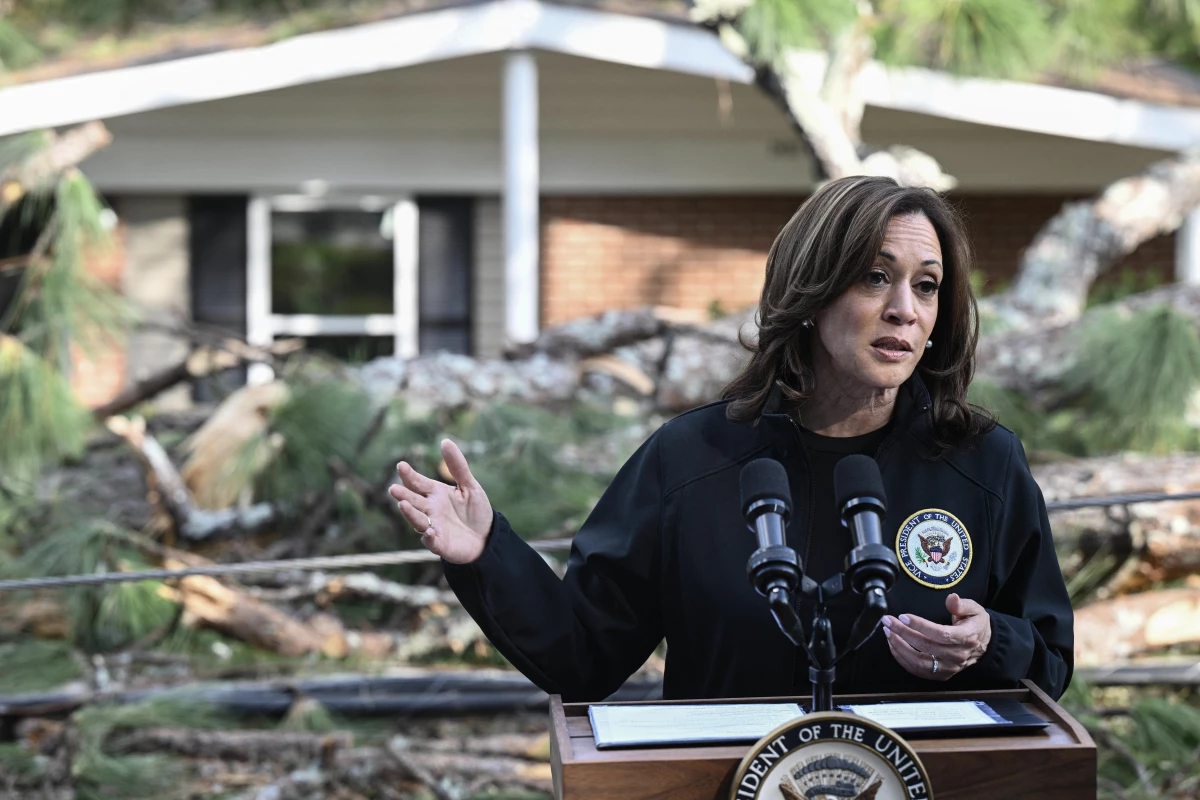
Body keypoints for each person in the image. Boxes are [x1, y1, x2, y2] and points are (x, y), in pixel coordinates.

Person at [388, 176, 1073, 703]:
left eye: (927, 287)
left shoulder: (982, 463)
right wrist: (485, 553)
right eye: (874, 277)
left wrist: (991, 641)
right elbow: (583, 653)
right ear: (811, 293)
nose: (905, 308)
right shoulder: (693, 458)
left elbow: (1049, 653)